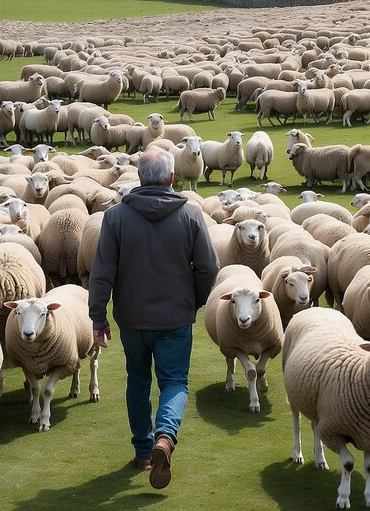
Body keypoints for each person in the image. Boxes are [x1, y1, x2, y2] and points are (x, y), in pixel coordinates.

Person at [88, 147, 219, 489]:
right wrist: (195, 301)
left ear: (141, 178)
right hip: (175, 317)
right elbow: (208, 267)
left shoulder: (116, 217)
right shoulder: (190, 214)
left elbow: (102, 273)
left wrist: (98, 317)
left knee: (137, 379)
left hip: (131, 317)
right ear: (172, 178)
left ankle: (144, 452)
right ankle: (165, 436)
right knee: (174, 381)